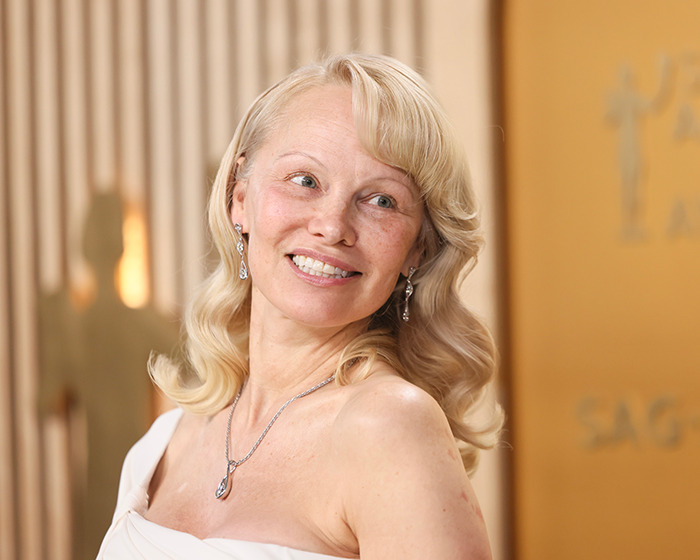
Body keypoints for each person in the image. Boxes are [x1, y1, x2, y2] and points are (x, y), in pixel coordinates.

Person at [97, 53, 502, 559]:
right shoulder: (164, 442)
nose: (332, 226)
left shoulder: (390, 426)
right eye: (305, 180)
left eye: (381, 200)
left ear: (415, 249)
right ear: (239, 198)